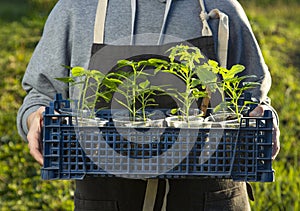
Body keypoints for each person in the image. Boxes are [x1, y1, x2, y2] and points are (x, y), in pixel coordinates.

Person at [17, 0, 280, 210]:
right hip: (107, 197)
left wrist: (265, 116)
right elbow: (41, 94)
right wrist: (35, 118)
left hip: (211, 195)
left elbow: (252, 98)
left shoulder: (221, 6)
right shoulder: (76, 8)